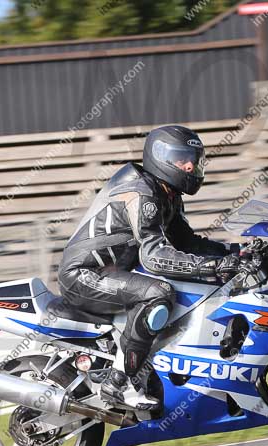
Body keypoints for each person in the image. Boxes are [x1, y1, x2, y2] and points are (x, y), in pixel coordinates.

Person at [58, 125, 245, 410]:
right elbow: (154, 256)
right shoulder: (141, 192)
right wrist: (213, 266)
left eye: (194, 158)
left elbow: (186, 242)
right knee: (158, 292)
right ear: (161, 158)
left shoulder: (166, 191)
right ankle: (120, 382)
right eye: (182, 158)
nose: (190, 165)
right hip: (84, 275)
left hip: (113, 273)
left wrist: (235, 253)